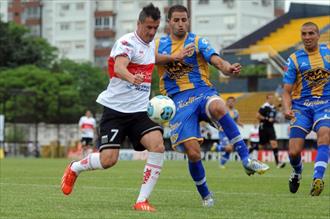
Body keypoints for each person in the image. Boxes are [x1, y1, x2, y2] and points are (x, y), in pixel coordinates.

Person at [61, 4, 191, 212]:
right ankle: (74, 168)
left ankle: (142, 201)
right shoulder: (125, 43)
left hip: (140, 112)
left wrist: (174, 58)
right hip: (116, 111)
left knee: (157, 146)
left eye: (155, 28)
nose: (151, 32)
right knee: (108, 160)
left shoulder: (150, 45)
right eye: (148, 27)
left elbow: (153, 58)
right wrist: (132, 77)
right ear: (138, 24)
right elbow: (120, 67)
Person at [156, 5, 269, 207]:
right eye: (176, 20)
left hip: (202, 92)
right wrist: (174, 57)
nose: (181, 24)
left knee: (219, 107)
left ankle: (246, 159)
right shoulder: (159, 45)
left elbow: (215, 59)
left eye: (184, 20)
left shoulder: (197, 41)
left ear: (188, 20)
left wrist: (227, 68)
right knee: (193, 152)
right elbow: (148, 59)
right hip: (178, 101)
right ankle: (206, 196)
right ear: (169, 22)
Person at [282, 22, 329, 196]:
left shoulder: (328, 53)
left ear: (318, 35)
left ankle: (318, 178)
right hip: (301, 106)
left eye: (311, 33)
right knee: (294, 151)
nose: (307, 37)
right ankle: (297, 171)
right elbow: (286, 91)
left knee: (325, 135)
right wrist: (287, 108)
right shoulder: (294, 59)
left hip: (325, 103)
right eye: (304, 34)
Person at [210, 96, 244, 168]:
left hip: (232, 132)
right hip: (224, 132)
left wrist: (240, 124)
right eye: (229, 101)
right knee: (228, 148)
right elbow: (216, 119)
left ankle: (222, 164)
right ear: (227, 102)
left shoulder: (236, 112)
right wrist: (219, 126)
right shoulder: (223, 110)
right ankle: (216, 147)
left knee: (230, 149)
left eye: (232, 101)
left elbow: (236, 121)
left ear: (234, 102)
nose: (231, 103)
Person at [257, 94, 286, 168]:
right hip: (263, 127)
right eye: (270, 98)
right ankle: (255, 159)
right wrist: (267, 119)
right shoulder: (264, 106)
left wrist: (275, 120)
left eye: (272, 98)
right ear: (267, 99)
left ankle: (277, 163)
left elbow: (274, 116)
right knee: (262, 145)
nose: (271, 100)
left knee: (274, 143)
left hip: (271, 127)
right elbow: (257, 116)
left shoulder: (273, 108)